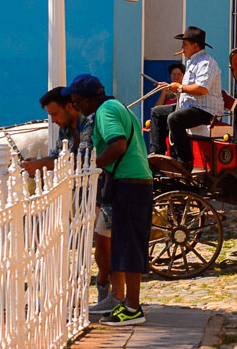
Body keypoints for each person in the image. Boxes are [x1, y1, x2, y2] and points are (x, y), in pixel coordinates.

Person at [22, 87, 114, 314]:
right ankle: (93, 291)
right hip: (83, 194)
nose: (52, 120)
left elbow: (84, 157)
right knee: (89, 241)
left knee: (104, 242)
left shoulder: (90, 123)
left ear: (70, 107)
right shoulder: (65, 130)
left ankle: (106, 289)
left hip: (107, 187)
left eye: (54, 114)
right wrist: (40, 162)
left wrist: (43, 164)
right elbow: (58, 157)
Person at [69, 73, 151, 325]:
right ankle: (128, 304)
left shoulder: (105, 111)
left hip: (129, 182)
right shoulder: (115, 106)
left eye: (76, 103)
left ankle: (133, 309)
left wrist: (87, 165)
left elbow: (117, 146)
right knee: (126, 244)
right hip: (133, 180)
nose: (76, 108)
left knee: (128, 246)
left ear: (87, 101)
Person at [156, 27, 223, 169]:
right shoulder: (192, 62)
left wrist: (179, 88)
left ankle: (185, 161)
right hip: (191, 108)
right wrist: (170, 87)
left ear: (195, 45)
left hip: (206, 112)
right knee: (157, 112)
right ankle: (157, 154)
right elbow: (188, 89)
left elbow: (201, 89)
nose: (182, 47)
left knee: (175, 118)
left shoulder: (206, 63)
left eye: (184, 44)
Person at [146, 62, 186, 157]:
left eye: (179, 74)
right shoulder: (168, 95)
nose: (176, 76)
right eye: (173, 74)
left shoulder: (184, 91)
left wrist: (174, 91)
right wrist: (164, 92)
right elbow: (157, 108)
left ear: (183, 76)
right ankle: (157, 152)